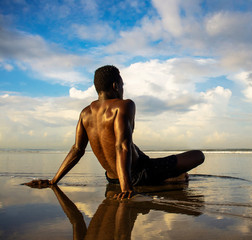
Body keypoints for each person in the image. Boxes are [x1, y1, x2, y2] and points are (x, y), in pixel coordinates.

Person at [26, 65, 205, 200]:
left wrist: (53, 180)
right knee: (198, 155)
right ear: (115, 86)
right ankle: (170, 179)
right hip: (136, 175)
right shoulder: (124, 105)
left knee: (136, 149)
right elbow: (121, 145)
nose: (123, 89)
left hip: (112, 178)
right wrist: (126, 187)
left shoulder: (85, 113)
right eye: (122, 84)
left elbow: (77, 150)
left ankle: (168, 178)